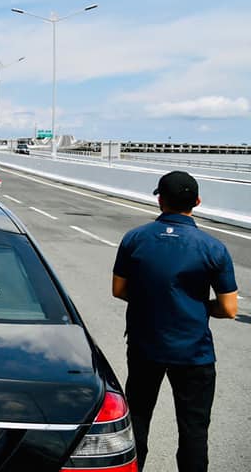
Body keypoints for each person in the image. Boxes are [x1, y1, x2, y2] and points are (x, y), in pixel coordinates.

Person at [111, 171, 238, 471]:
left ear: (160, 200)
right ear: (197, 201)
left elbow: (118, 290)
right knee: (194, 430)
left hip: (145, 346)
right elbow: (230, 308)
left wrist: (153, 299)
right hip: (194, 352)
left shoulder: (134, 238)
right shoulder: (213, 247)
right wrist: (198, 307)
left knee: (138, 418)